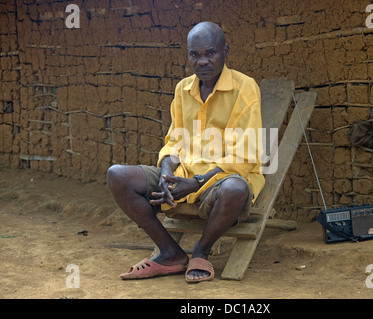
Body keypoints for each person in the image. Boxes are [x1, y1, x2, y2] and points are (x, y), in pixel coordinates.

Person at [107, 21, 265, 283]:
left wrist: (196, 183)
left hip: (223, 178)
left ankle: (201, 251)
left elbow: (244, 157)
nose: (202, 61)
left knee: (235, 189)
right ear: (188, 55)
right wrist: (166, 174)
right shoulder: (183, 89)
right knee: (117, 175)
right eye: (195, 54)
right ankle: (170, 253)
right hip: (183, 175)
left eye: (210, 53)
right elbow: (174, 140)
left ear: (225, 52)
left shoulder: (244, 87)